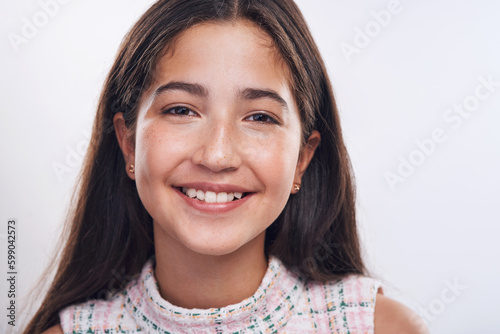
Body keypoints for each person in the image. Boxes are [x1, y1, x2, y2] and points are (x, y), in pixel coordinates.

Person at [25, 0, 428, 333]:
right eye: (182, 110)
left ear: (302, 160)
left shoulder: (377, 326)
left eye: (259, 118)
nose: (217, 156)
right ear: (128, 144)